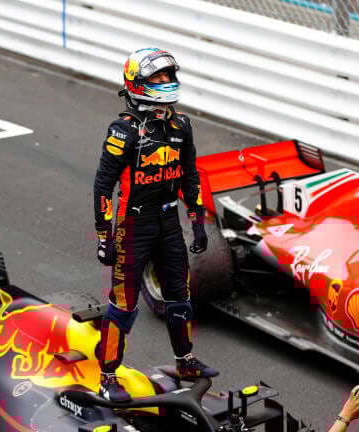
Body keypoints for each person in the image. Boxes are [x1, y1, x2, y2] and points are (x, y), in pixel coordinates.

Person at [92, 48, 216, 402]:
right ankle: (107, 377)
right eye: (157, 77)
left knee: (180, 296)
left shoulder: (182, 124)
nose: (166, 81)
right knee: (124, 305)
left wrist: (198, 221)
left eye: (168, 76)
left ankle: (185, 361)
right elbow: (103, 185)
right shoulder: (123, 131)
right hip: (134, 226)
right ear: (137, 83)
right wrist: (104, 237)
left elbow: (190, 176)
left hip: (169, 222)